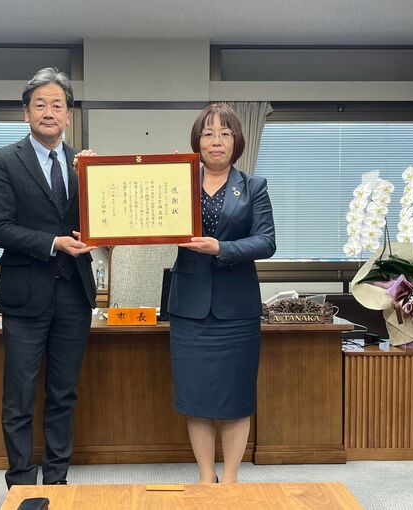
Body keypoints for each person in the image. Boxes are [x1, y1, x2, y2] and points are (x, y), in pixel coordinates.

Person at [0, 67, 97, 488]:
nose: (49, 112)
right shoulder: (4, 160)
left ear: (69, 114)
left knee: (64, 395)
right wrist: (53, 242)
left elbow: (96, 223)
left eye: (57, 105)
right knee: (19, 398)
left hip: (73, 294)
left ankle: (58, 483)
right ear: (26, 112)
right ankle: (20, 484)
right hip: (25, 295)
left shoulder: (83, 163)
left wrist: (108, 229)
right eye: (40, 104)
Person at [168, 103, 276, 484]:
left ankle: (229, 479)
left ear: (237, 140)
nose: (216, 141)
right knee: (197, 399)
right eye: (208, 133)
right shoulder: (175, 184)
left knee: (234, 399)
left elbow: (267, 242)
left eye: (225, 133)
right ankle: (204, 477)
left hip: (237, 309)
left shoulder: (253, 187)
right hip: (189, 308)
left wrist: (223, 249)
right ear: (197, 141)